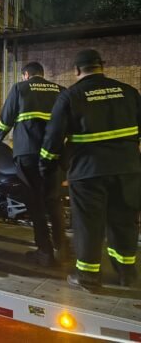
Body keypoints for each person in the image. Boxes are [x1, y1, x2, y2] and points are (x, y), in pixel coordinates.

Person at [40, 49, 141, 291]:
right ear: (101, 66)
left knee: (88, 224)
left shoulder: (70, 96)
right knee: (124, 221)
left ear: (76, 70)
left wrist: (46, 165)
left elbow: (53, 137)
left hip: (88, 172)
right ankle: (127, 273)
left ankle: (87, 276)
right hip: (128, 169)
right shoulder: (129, 92)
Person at [0, 62, 67, 266]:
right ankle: (63, 248)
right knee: (54, 201)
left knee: (35, 202)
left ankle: (45, 252)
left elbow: (6, 119)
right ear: (42, 74)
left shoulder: (20, 88)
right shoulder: (60, 90)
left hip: (28, 153)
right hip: (55, 154)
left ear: (26, 75)